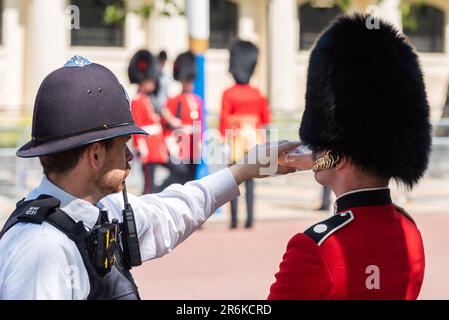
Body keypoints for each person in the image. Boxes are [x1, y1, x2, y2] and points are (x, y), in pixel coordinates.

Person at [0, 55, 298, 300]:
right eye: (122, 145)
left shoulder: (99, 212)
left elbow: (170, 212)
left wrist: (244, 169)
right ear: (95, 155)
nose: (130, 156)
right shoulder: (41, 250)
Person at [268, 14, 431, 300]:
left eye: (318, 144)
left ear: (340, 155)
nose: (313, 147)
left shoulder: (315, 247)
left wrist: (245, 170)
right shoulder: (409, 231)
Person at [219, 40, 271, 229]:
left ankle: (233, 220)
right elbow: (266, 118)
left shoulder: (229, 93)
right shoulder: (258, 94)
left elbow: (224, 120)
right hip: (254, 140)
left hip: (235, 140)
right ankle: (249, 219)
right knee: (250, 181)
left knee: (232, 181)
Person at [128, 49, 170, 194]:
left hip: (157, 145)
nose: (153, 82)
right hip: (148, 147)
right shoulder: (137, 100)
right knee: (148, 185)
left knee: (153, 183)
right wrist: (141, 147)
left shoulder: (148, 98)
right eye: (150, 79)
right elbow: (138, 125)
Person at [163, 51, 203, 186]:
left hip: (194, 145)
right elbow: (167, 124)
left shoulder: (197, 100)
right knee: (180, 178)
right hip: (179, 145)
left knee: (191, 180)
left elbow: (199, 124)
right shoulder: (175, 99)